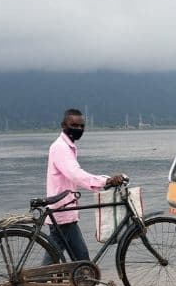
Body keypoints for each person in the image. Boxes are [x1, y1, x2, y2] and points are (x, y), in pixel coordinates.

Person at [42, 108, 127, 265]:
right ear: (63, 125)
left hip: (67, 213)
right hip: (62, 213)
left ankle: (85, 285)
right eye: (74, 125)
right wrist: (105, 181)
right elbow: (76, 174)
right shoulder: (60, 147)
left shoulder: (68, 147)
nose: (79, 129)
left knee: (82, 261)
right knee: (53, 261)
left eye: (81, 126)